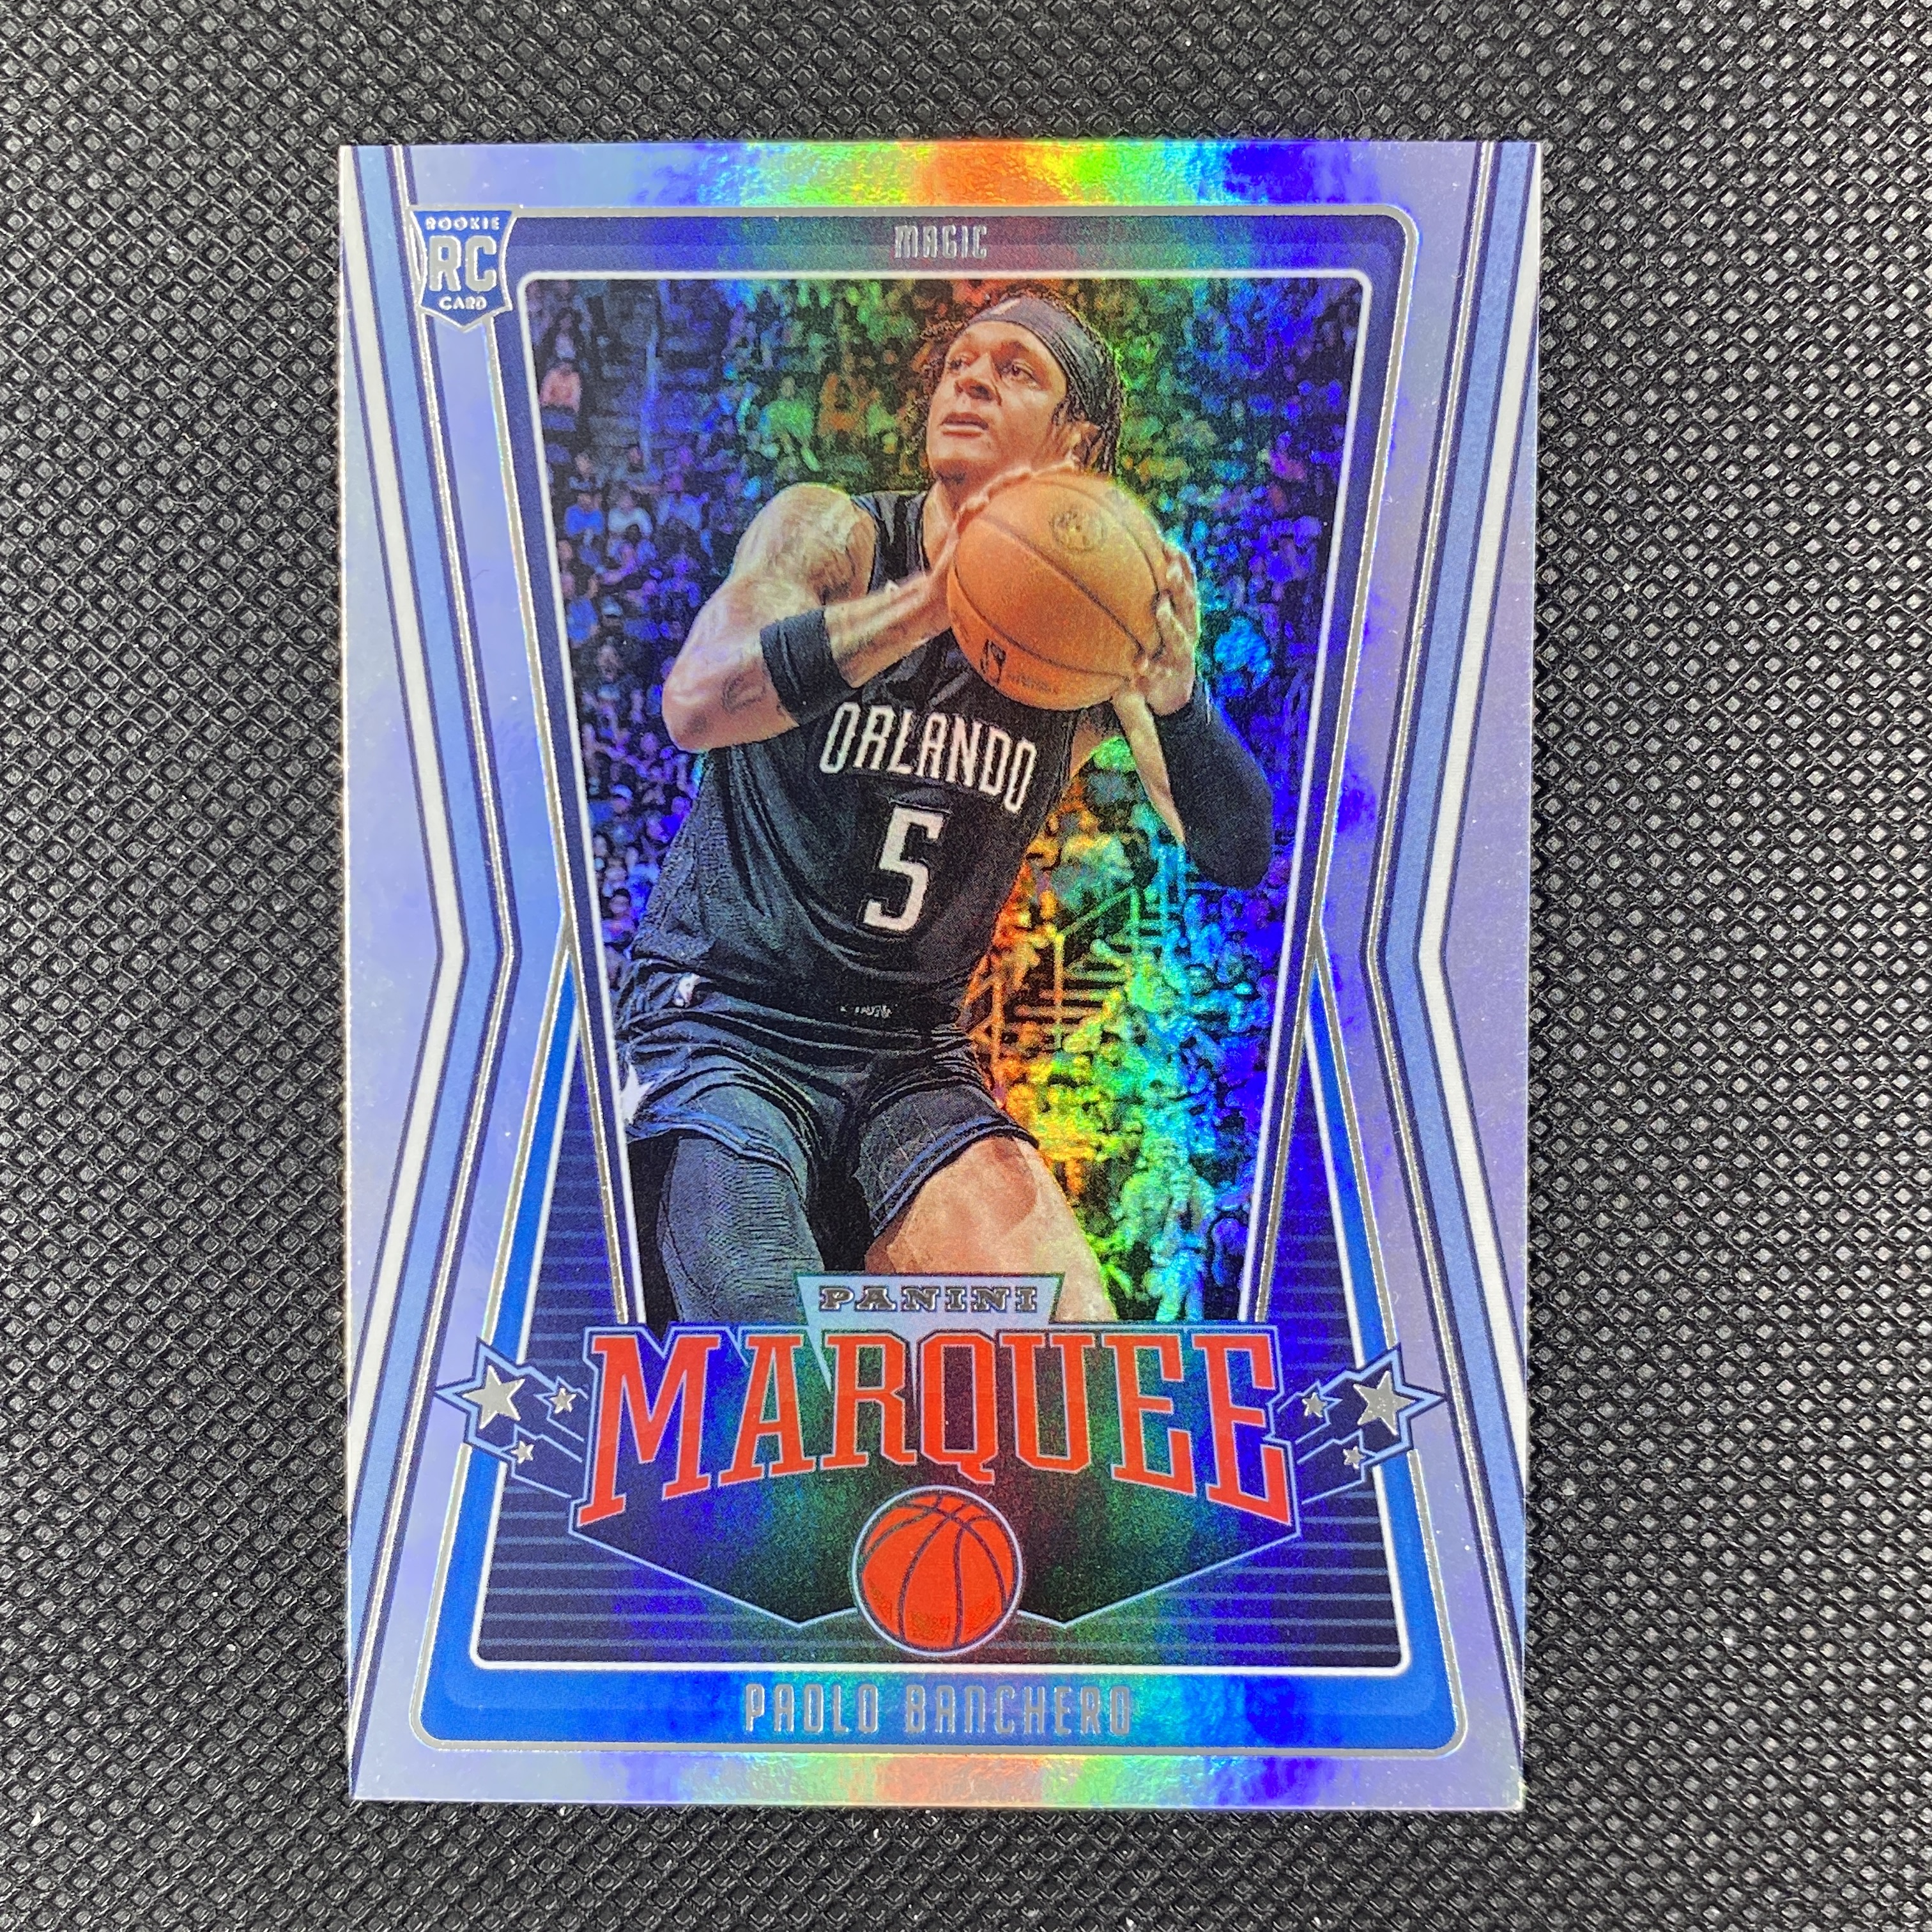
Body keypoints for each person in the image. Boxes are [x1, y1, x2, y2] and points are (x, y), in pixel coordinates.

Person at [613, 288, 1273, 1328]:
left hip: (910, 1055)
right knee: (774, 1349)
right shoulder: (833, 536)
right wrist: (931, 604)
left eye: (1016, 370)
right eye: (962, 361)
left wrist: (1177, 698)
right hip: (726, 1022)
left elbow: (1238, 851)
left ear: (1076, 436)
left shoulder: (1087, 630)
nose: (971, 380)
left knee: (1078, 1348)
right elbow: (696, 703)